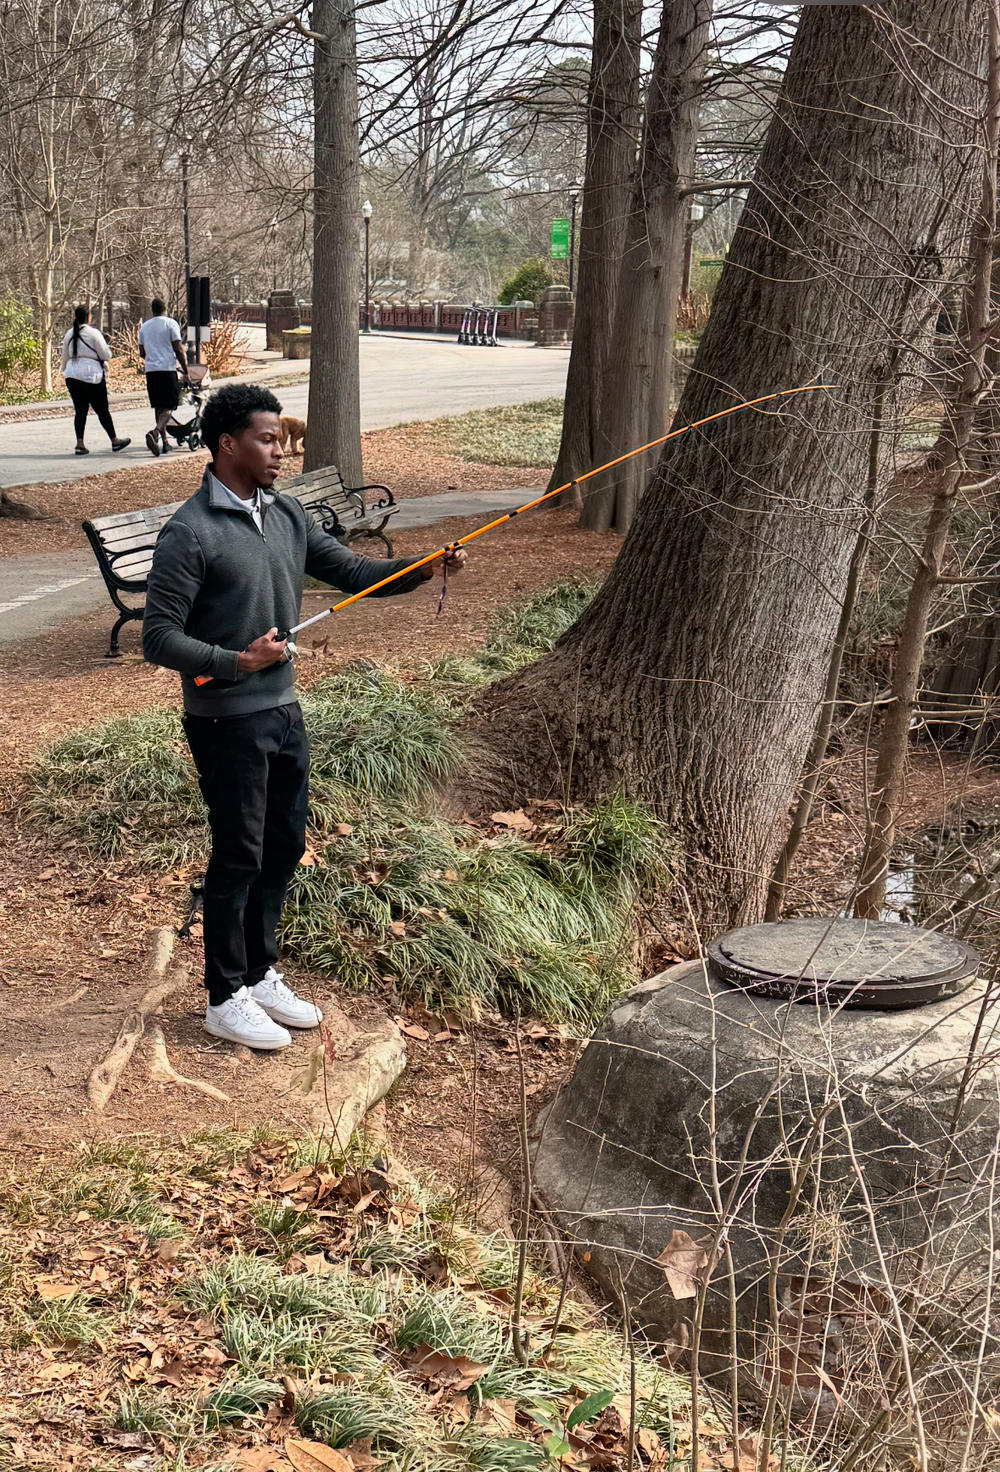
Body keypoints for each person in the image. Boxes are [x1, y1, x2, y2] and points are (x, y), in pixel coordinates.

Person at [142, 383, 467, 1052]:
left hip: (283, 713)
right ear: (228, 444)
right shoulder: (190, 532)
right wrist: (237, 660)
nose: (282, 452)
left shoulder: (285, 514)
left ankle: (259, 975)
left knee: (284, 845)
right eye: (268, 440)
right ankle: (223, 995)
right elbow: (158, 637)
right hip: (225, 719)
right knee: (239, 854)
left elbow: (352, 572)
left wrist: (422, 565)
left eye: (283, 441)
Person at [60, 306, 131, 456]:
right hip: (91, 376)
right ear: (89, 318)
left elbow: (65, 358)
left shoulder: (69, 334)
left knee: (80, 411)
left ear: (75, 316)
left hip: (72, 375)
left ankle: (80, 443)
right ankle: (114, 440)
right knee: (102, 410)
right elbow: (106, 354)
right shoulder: (93, 333)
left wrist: (65, 372)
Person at [138, 298, 188, 456]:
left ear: (152, 310)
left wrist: (152, 354)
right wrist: (186, 369)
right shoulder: (171, 324)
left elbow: (142, 352)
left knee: (158, 406)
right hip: (167, 369)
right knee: (169, 407)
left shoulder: (144, 327)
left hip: (151, 371)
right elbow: (178, 348)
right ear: (165, 308)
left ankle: (165, 442)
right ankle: (155, 432)